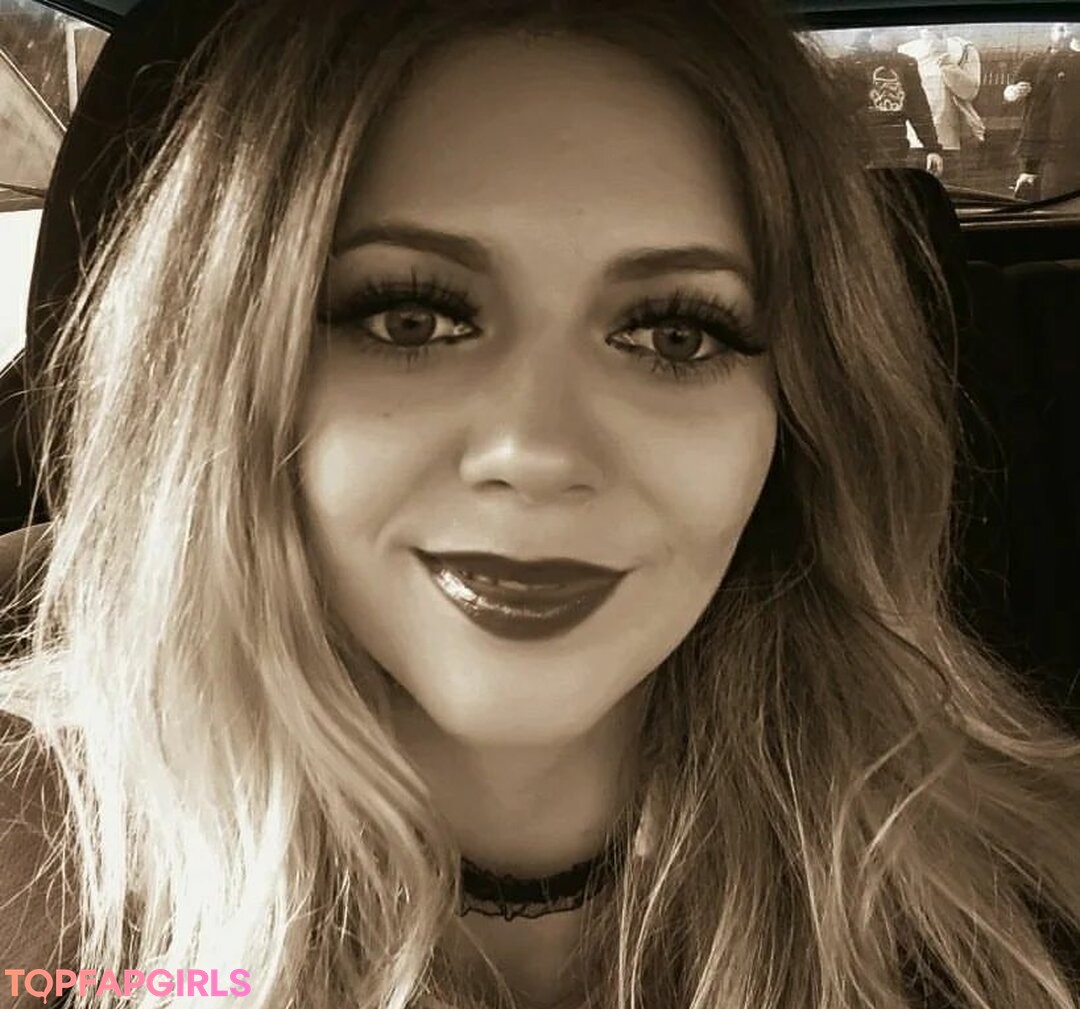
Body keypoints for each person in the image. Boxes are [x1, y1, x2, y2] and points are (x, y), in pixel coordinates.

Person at [1, 1, 1079, 1008]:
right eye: (412, 318)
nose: (536, 453)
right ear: (227, 373)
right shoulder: (33, 865)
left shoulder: (1016, 907)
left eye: (674, 334)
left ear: (798, 418)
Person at [837, 27, 945, 176]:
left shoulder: (905, 64)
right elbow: (835, 111)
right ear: (872, 34)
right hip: (856, 148)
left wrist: (932, 148)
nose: (893, 37)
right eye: (886, 33)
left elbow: (919, 109)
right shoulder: (847, 65)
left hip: (891, 149)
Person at [898, 27, 985, 184]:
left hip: (948, 142)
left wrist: (945, 60)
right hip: (910, 141)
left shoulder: (963, 48)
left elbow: (969, 92)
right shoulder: (905, 49)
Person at [1007, 23, 1080, 198]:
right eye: (1060, 29)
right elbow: (1010, 92)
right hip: (1039, 141)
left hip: (1070, 142)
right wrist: (1015, 91)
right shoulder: (1034, 61)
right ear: (1051, 32)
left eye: (1070, 28)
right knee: (1036, 195)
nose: (1065, 34)